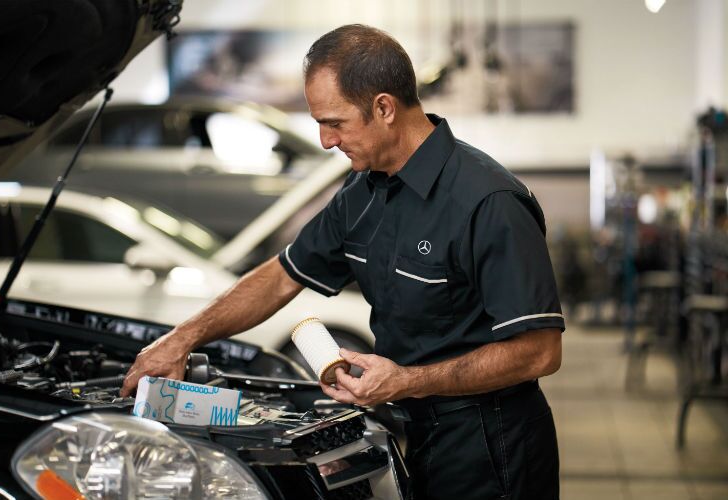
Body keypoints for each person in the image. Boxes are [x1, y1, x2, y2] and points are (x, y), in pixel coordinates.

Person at [121, 24, 565, 500]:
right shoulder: (364, 193)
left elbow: (539, 352)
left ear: (383, 108)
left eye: (335, 122)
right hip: (417, 427)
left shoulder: (489, 201)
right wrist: (180, 338)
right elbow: (281, 276)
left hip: (494, 443)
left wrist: (408, 380)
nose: (325, 140)